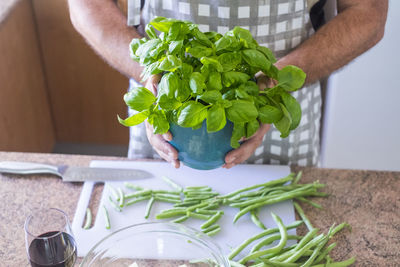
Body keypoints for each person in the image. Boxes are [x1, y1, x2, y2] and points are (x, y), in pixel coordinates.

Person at [68, 0, 387, 169]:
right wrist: (148, 72)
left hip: (282, 119)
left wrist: (270, 87)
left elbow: (367, 12)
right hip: (165, 110)